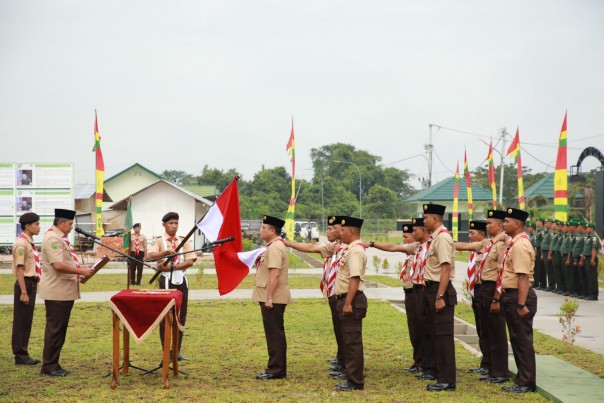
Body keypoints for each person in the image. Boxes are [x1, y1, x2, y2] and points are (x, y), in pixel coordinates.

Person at [284, 215, 346, 376]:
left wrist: (290, 243)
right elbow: (312, 248)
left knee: (345, 330)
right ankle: (341, 359)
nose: (329, 231)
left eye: (333, 228)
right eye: (329, 228)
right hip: (333, 292)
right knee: (338, 329)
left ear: (343, 230)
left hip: (342, 293)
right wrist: (290, 243)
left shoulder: (347, 247)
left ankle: (346, 363)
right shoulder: (335, 246)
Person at [39, 209, 95, 376]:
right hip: (57, 291)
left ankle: (53, 364)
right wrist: (81, 271)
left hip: (62, 291)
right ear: (61, 223)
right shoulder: (52, 239)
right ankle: (49, 366)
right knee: (55, 330)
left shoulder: (58, 238)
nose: (71, 227)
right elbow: (58, 265)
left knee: (59, 330)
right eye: (70, 224)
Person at [366, 222, 421, 373]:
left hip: (417, 293)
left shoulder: (419, 248)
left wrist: (371, 244)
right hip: (409, 294)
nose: (404, 240)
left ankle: (424, 362)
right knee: (414, 330)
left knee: (421, 330)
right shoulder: (412, 251)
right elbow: (393, 247)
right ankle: (418, 361)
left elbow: (393, 247)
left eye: (406, 236)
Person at [147, 212, 197, 361]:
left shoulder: (184, 241)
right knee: (166, 316)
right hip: (166, 281)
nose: (174, 226)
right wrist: (165, 252)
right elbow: (150, 256)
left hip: (181, 280)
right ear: (164, 225)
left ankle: (177, 350)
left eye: (176, 223)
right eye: (171, 223)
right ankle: (166, 351)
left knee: (181, 316)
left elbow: (190, 260)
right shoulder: (159, 240)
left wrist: (173, 267)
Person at [501, 207, 537, 393]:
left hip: (519, 296)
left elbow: (522, 276)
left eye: (507, 221)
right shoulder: (515, 242)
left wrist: (521, 304)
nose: (504, 224)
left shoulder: (521, 245)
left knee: (522, 340)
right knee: (517, 339)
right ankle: (522, 378)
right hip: (513, 295)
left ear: (517, 224)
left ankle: (526, 382)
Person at [422, 203, 456, 392]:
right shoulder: (435, 238)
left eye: (426, 217)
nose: (424, 220)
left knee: (443, 337)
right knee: (436, 335)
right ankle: (441, 375)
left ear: (434, 219)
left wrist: (440, 295)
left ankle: (447, 380)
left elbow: (445, 268)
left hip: (439, 289)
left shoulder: (442, 238)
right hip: (432, 289)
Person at [253, 215, 290, 380]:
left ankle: (276, 370)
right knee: (275, 334)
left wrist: (269, 298)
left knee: (274, 335)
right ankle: (276, 368)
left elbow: (275, 274)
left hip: (273, 298)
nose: (260, 230)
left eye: (263, 228)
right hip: (273, 297)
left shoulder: (275, 247)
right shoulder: (274, 246)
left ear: (272, 231)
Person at [334, 216, 368, 391]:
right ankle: (351, 378)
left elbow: (355, 278)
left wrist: (348, 303)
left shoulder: (355, 251)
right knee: (349, 341)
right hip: (347, 298)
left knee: (352, 342)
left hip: (351, 299)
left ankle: (355, 382)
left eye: (344, 230)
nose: (341, 233)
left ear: (352, 231)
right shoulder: (350, 249)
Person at [454, 220, 490, 377]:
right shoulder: (476, 250)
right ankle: (485, 362)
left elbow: (461, 246)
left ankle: (490, 364)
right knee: (481, 329)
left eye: (472, 233)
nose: (469, 236)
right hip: (476, 292)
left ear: (481, 235)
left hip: (484, 291)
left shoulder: (485, 244)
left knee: (487, 330)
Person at [12, 212, 42, 365]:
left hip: (31, 283)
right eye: (36, 224)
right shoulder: (22, 244)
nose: (39, 227)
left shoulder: (29, 242)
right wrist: (24, 292)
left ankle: (23, 352)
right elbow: (19, 269)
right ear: (28, 226)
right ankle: (20, 355)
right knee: (21, 321)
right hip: (25, 284)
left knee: (27, 320)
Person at [582, 223, 599, 300]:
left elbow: (594, 249)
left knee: (592, 277)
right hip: (587, 258)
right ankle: (590, 293)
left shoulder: (594, 237)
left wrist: (592, 259)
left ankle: (593, 295)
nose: (586, 229)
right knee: (588, 276)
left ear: (592, 228)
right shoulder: (588, 237)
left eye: (588, 228)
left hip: (591, 258)